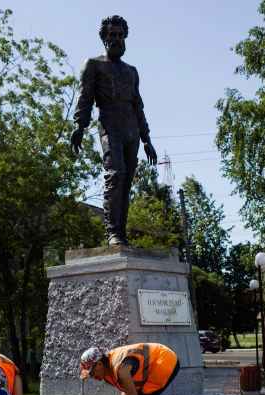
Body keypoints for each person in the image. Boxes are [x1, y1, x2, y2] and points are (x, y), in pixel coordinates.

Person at [70, 15, 157, 246]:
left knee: (126, 181)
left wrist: (147, 139)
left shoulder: (131, 71)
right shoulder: (94, 64)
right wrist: (79, 124)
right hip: (109, 124)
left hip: (131, 128)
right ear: (104, 37)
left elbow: (138, 105)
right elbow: (85, 97)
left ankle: (121, 233)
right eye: (112, 35)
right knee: (115, 175)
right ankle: (112, 233)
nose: (117, 39)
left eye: (120, 35)